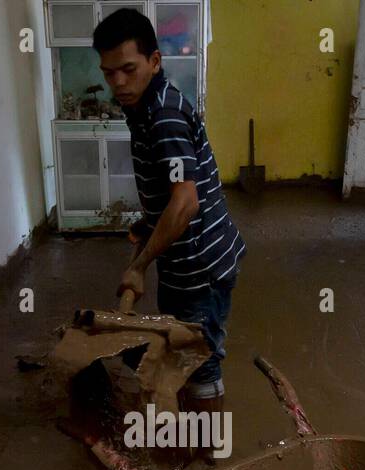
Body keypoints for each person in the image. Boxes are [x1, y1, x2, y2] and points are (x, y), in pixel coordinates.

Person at [92, 9, 247, 420]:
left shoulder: (164, 116)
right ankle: (189, 429)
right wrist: (149, 224)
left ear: (155, 62)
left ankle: (208, 461)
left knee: (200, 359)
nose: (118, 83)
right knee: (180, 348)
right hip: (184, 260)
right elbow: (172, 194)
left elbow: (185, 202)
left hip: (202, 265)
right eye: (109, 73)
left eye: (128, 69)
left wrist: (139, 267)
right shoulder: (145, 107)